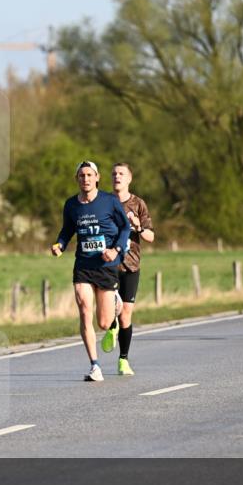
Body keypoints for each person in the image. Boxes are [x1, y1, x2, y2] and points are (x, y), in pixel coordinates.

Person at [51, 161, 131, 381]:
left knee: (104, 323)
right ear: (77, 179)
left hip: (105, 265)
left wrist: (115, 250)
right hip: (83, 265)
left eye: (89, 175)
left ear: (97, 177)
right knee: (84, 309)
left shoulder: (110, 201)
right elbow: (67, 230)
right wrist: (60, 244)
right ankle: (95, 366)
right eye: (81, 175)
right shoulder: (71, 205)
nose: (85, 179)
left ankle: (115, 302)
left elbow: (125, 227)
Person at [101, 163, 154, 375]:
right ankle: (111, 326)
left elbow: (151, 236)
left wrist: (138, 226)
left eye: (121, 174)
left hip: (131, 264)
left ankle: (123, 360)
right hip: (109, 263)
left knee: (126, 316)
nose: (117, 177)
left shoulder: (138, 204)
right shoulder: (104, 202)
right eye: (113, 173)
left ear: (129, 178)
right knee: (113, 308)